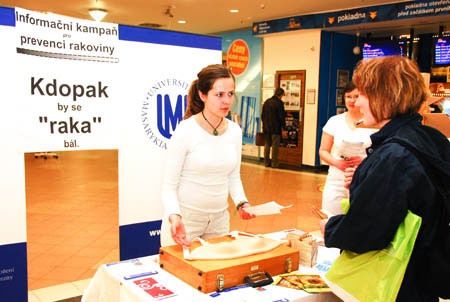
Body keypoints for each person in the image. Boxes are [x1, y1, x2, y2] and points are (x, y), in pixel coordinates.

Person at [321, 56, 450, 301]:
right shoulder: (431, 138)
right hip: (427, 274)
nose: (357, 102)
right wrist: (367, 176)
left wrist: (330, 229)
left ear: (383, 96)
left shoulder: (393, 155)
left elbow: (367, 231)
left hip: (397, 282)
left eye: (363, 95)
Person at [160, 64, 255, 247]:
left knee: (216, 271)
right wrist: (174, 216)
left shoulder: (234, 131)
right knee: (181, 274)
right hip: (186, 220)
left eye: (231, 94)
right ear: (203, 95)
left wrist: (242, 202)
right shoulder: (185, 131)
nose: (226, 101)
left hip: (219, 221)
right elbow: (169, 185)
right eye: (219, 95)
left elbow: (233, 176)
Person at [319, 82, 376, 215]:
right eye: (348, 96)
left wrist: (365, 160)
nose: (352, 100)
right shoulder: (334, 121)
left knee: (359, 221)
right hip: (337, 178)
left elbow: (382, 152)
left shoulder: (374, 122)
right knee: (330, 218)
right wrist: (337, 162)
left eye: (356, 96)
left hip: (364, 177)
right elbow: (323, 151)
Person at [261, 88, 286, 168]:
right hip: (276, 128)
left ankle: (266, 163)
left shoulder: (267, 102)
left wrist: (265, 124)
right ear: (281, 95)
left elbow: (262, 116)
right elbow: (281, 117)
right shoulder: (279, 103)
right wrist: (284, 128)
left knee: (267, 145)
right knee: (275, 146)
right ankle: (274, 163)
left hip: (266, 128)